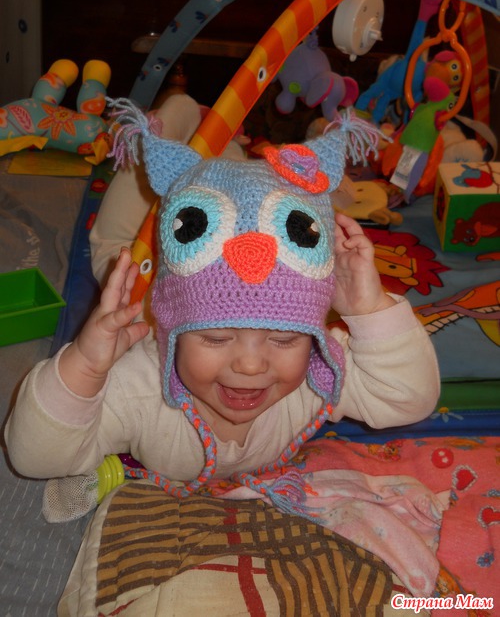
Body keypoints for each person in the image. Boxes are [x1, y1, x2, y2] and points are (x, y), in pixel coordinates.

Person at [5, 96, 440, 519]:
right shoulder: (140, 388)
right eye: (215, 338)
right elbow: (36, 457)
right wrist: (85, 366)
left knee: (212, 180)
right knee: (116, 246)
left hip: (202, 259)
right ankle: (178, 114)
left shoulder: (318, 373)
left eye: (283, 338)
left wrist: (369, 307)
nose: (250, 365)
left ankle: (224, 151)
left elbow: (409, 399)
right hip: (144, 286)